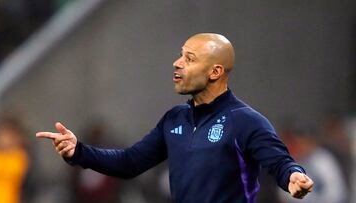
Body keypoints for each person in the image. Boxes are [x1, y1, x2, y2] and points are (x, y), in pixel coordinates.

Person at [36, 33, 313, 203]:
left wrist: (293, 176)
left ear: (215, 72)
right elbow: (130, 162)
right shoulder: (174, 119)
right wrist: (79, 151)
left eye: (189, 59)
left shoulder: (245, 121)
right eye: (180, 55)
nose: (177, 63)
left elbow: (279, 161)